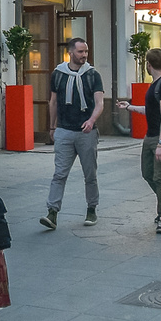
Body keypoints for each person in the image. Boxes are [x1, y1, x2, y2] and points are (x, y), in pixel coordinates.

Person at [40, 38, 105, 230]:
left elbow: (100, 103)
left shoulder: (92, 75)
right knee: (59, 174)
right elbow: (53, 101)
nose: (84, 55)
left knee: (90, 174)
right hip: (64, 131)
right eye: (80, 52)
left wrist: (91, 120)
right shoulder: (58, 74)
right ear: (70, 53)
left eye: (86, 51)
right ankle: (52, 212)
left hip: (87, 133)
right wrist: (52, 127)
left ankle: (91, 209)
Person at [125, 47, 161, 233]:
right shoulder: (156, 84)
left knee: (160, 176)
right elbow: (151, 111)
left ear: (148, 65)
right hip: (150, 136)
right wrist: (129, 107)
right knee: (147, 173)